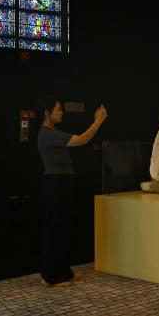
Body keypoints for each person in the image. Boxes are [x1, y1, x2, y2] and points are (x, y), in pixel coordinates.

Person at [36, 98, 107, 287]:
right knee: (55, 229)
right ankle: (50, 275)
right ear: (47, 113)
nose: (61, 112)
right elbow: (82, 139)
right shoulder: (48, 134)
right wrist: (98, 121)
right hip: (55, 184)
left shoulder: (52, 133)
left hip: (62, 182)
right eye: (58, 109)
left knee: (63, 228)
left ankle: (63, 272)